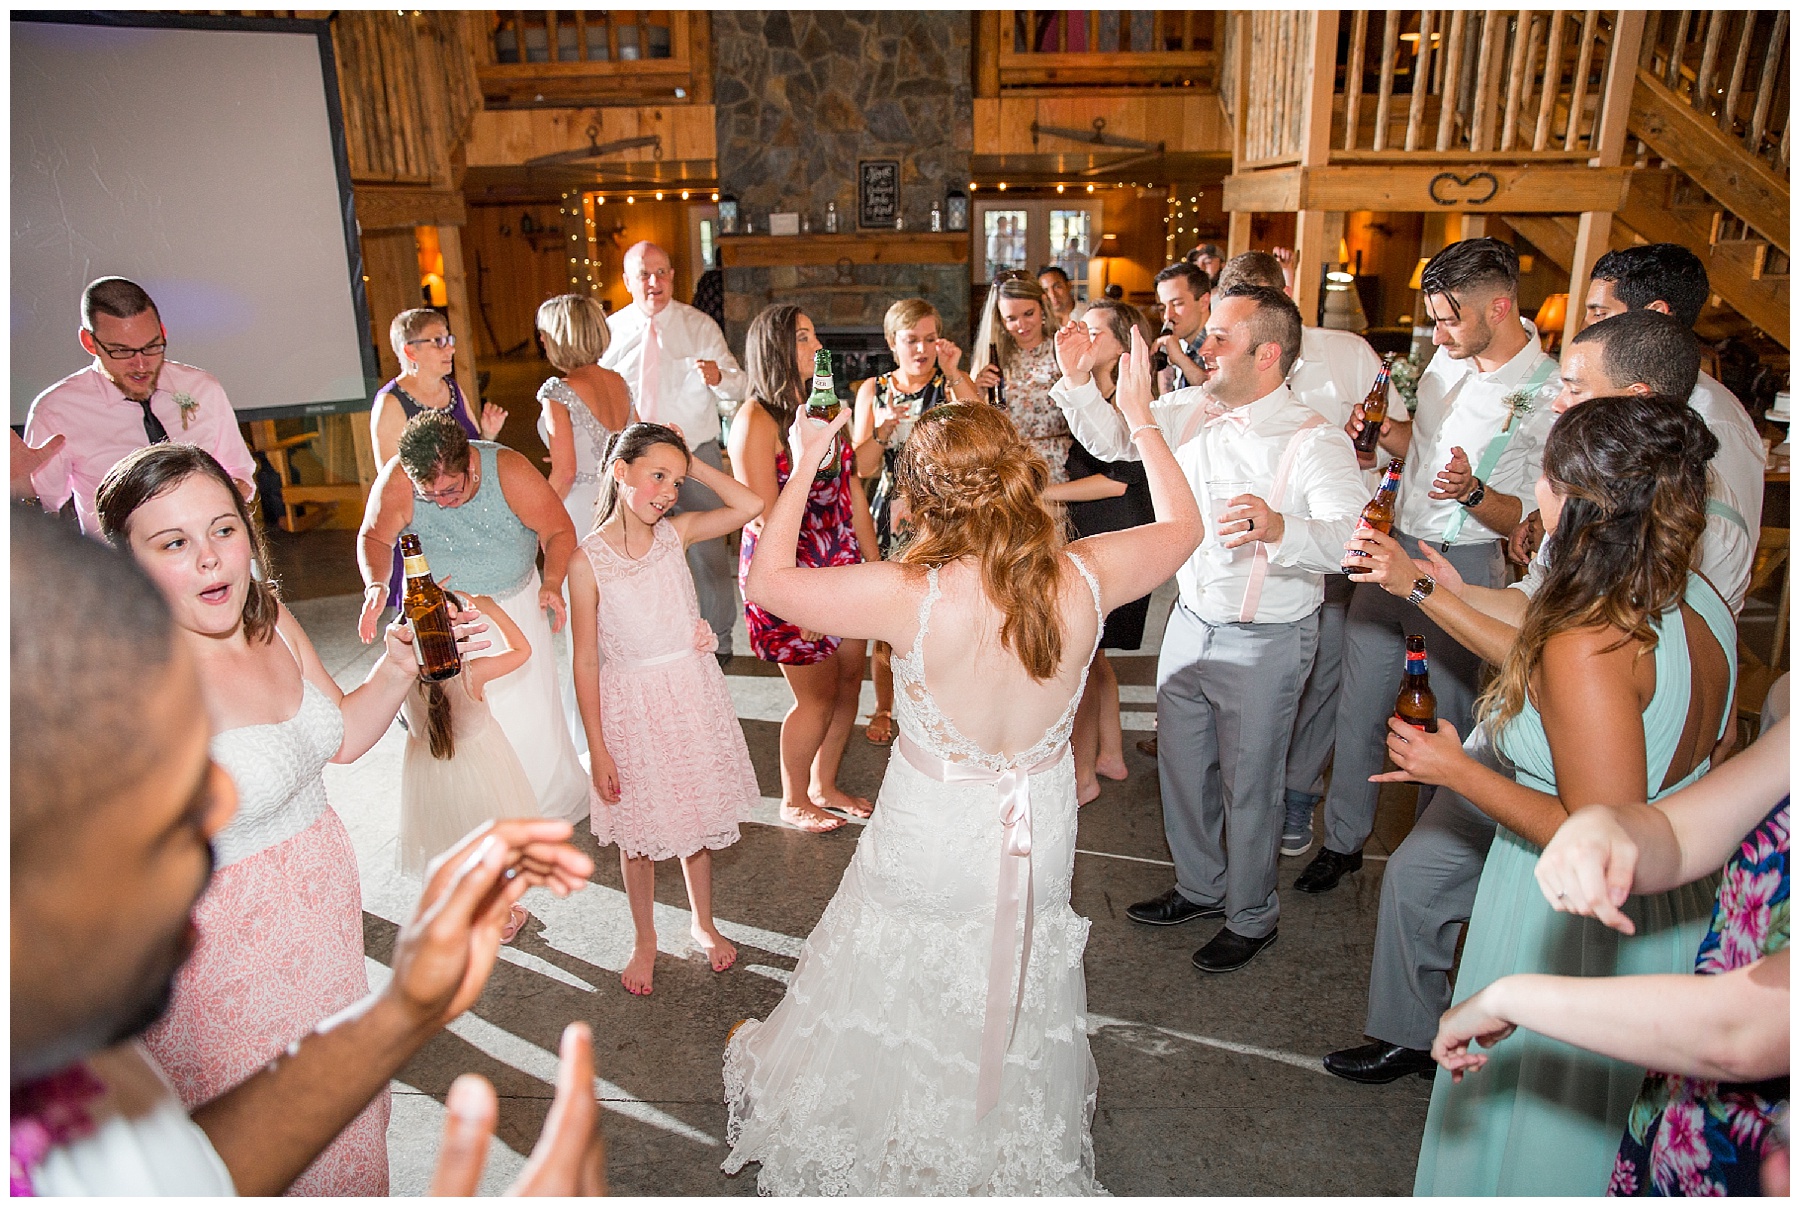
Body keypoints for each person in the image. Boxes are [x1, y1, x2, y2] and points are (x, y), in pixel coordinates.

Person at [724, 334, 1201, 1193]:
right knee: (1015, 973)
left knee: (902, 966)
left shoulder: (912, 595)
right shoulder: (1089, 574)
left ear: (922, 498)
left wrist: (805, 463)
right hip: (1042, 827)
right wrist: (1141, 418)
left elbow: (770, 582)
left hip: (935, 830)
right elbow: (1186, 526)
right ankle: (993, 1143)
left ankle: (903, 1135)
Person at [12, 502, 602, 1196]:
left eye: (223, 527)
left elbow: (193, 1169)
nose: (224, 802)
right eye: (158, 768)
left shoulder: (74, 1054)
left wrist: (401, 1009)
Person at [1372, 395, 1735, 1195]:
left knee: (1537, 1143)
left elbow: (1595, 832)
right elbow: (1716, 749)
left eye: (1543, 471)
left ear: (1574, 498)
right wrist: (1439, 591)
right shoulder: (1699, 598)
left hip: (1567, 919)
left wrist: (1455, 771)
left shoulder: (1590, 639)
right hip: (1677, 911)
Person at [1053, 285, 1368, 972]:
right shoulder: (1191, 409)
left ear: (1269, 353)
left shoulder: (1313, 438)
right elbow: (1117, 439)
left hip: (1269, 639)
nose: (1203, 346)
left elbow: (1353, 537)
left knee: (1249, 784)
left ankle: (1253, 914)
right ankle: (1199, 886)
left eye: (1221, 337)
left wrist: (1283, 526)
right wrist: (1080, 382)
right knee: (1182, 769)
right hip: (1190, 622)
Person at [1295, 238, 1556, 894]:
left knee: (1457, 714)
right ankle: (1343, 839)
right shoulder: (1442, 363)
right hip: (1397, 542)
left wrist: (1471, 490)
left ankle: (1439, 849)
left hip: (1469, 560)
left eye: (1449, 319)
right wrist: (1387, 434)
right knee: (1359, 702)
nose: (1437, 335)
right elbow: (1422, 454)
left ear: (1498, 307)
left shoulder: (1547, 390)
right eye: (1432, 319)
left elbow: (1528, 525)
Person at [1434, 717, 1788, 1196]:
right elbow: (1679, 834)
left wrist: (1511, 997)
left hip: (1766, 1137)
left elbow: (1741, 1031)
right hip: (1697, 1107)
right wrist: (1608, 825)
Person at [568, 422, 765, 996]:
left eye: (676, 482)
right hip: (632, 704)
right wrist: (599, 747)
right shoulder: (588, 563)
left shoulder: (675, 535)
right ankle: (645, 938)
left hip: (689, 693)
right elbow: (585, 662)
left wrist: (692, 465)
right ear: (618, 469)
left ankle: (704, 922)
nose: (668, 492)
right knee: (639, 832)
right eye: (657, 476)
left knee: (695, 816)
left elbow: (750, 505)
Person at [1208, 251, 1388, 858]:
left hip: (1330, 542)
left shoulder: (1349, 352)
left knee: (1321, 680)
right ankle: (1238, 804)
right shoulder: (1223, 363)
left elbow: (1385, 445)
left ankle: (1298, 794)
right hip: (1245, 552)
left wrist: (1366, 447)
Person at [358, 410, 588, 822]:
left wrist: (552, 583)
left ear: (469, 460)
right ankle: (481, 813)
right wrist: (376, 583)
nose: (442, 502)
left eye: (451, 489)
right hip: (443, 617)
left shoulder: (509, 470)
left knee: (525, 709)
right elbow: (374, 536)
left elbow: (558, 531)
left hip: (514, 605)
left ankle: (537, 805)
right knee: (464, 722)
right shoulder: (398, 480)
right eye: (430, 496)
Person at [728, 304, 879, 833]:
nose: (817, 347)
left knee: (848, 684)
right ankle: (793, 799)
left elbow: (851, 487)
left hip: (842, 560)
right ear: (774, 348)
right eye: (803, 337)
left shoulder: (821, 405)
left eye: (815, 335)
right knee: (814, 697)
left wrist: (876, 566)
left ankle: (826, 784)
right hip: (791, 570)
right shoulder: (757, 420)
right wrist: (799, 595)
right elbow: (768, 514)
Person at [599, 240, 747, 657]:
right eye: (644, 274)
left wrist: (719, 376)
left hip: (693, 454)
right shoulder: (611, 332)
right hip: (635, 458)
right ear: (628, 280)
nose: (654, 282)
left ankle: (720, 641)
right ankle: (647, 637)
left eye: (662, 272)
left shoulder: (699, 326)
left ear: (672, 277)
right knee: (633, 550)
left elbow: (740, 384)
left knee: (707, 552)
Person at [1555, 309, 1754, 612]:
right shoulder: (1608, 481)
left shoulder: (1703, 525)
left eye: (1575, 389)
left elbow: (1622, 638)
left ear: (1636, 397)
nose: (1558, 404)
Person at [22, 277, 256, 535]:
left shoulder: (202, 388)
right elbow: (39, 511)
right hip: (118, 570)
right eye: (122, 352)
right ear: (90, 343)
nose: (141, 365)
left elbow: (240, 473)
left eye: (152, 347)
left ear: (163, 332)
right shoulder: (56, 411)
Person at [851, 298, 980, 747]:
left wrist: (957, 370)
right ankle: (885, 705)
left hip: (946, 511)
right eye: (911, 340)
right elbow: (862, 468)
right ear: (892, 343)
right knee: (891, 611)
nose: (922, 349)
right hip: (892, 512)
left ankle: (948, 701)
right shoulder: (874, 389)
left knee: (949, 607)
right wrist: (883, 430)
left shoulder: (949, 386)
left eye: (930, 338)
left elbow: (983, 427)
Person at [1046, 300, 1156, 804]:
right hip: (1098, 532)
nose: (1082, 339)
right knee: (1098, 657)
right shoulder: (1097, 395)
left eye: (1093, 331)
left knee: (1084, 660)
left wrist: (1045, 493)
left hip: (1119, 533)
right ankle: (1109, 754)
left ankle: (1083, 774)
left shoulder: (1132, 402)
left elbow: (1117, 482)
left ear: (1123, 342)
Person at [398, 593, 538, 945]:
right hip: (481, 774)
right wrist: (490, 608)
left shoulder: (401, 677)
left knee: (449, 846)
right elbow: (523, 651)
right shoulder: (472, 673)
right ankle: (503, 918)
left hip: (431, 776)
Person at [368, 308, 506, 615]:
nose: (451, 349)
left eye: (449, 339)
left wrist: (489, 436)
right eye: (438, 341)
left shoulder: (454, 390)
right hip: (428, 531)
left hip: (472, 522)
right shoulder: (392, 403)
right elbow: (392, 482)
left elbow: (470, 456)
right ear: (409, 349)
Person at [534, 293, 634, 537]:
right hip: (622, 502)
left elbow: (566, 473)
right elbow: (635, 446)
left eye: (543, 334)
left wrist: (534, 519)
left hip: (582, 508)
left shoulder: (557, 390)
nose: (541, 340)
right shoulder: (618, 382)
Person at [970, 271, 1071, 482]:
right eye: (1011, 319)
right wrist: (979, 393)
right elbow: (980, 428)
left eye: (1028, 314)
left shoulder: (1062, 350)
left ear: (1043, 307)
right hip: (1010, 466)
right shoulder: (995, 360)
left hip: (1060, 464)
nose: (1022, 325)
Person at [1152, 261, 1212, 393]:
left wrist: (1181, 360)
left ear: (1204, 302)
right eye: (1162, 308)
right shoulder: (1178, 346)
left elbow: (1219, 397)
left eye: (1177, 304)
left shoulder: (1224, 345)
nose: (1168, 315)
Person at [1038, 264, 1080, 329]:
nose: (1052, 295)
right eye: (1045, 290)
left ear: (1069, 286)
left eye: (1057, 287)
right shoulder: (1039, 322)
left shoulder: (1089, 314)